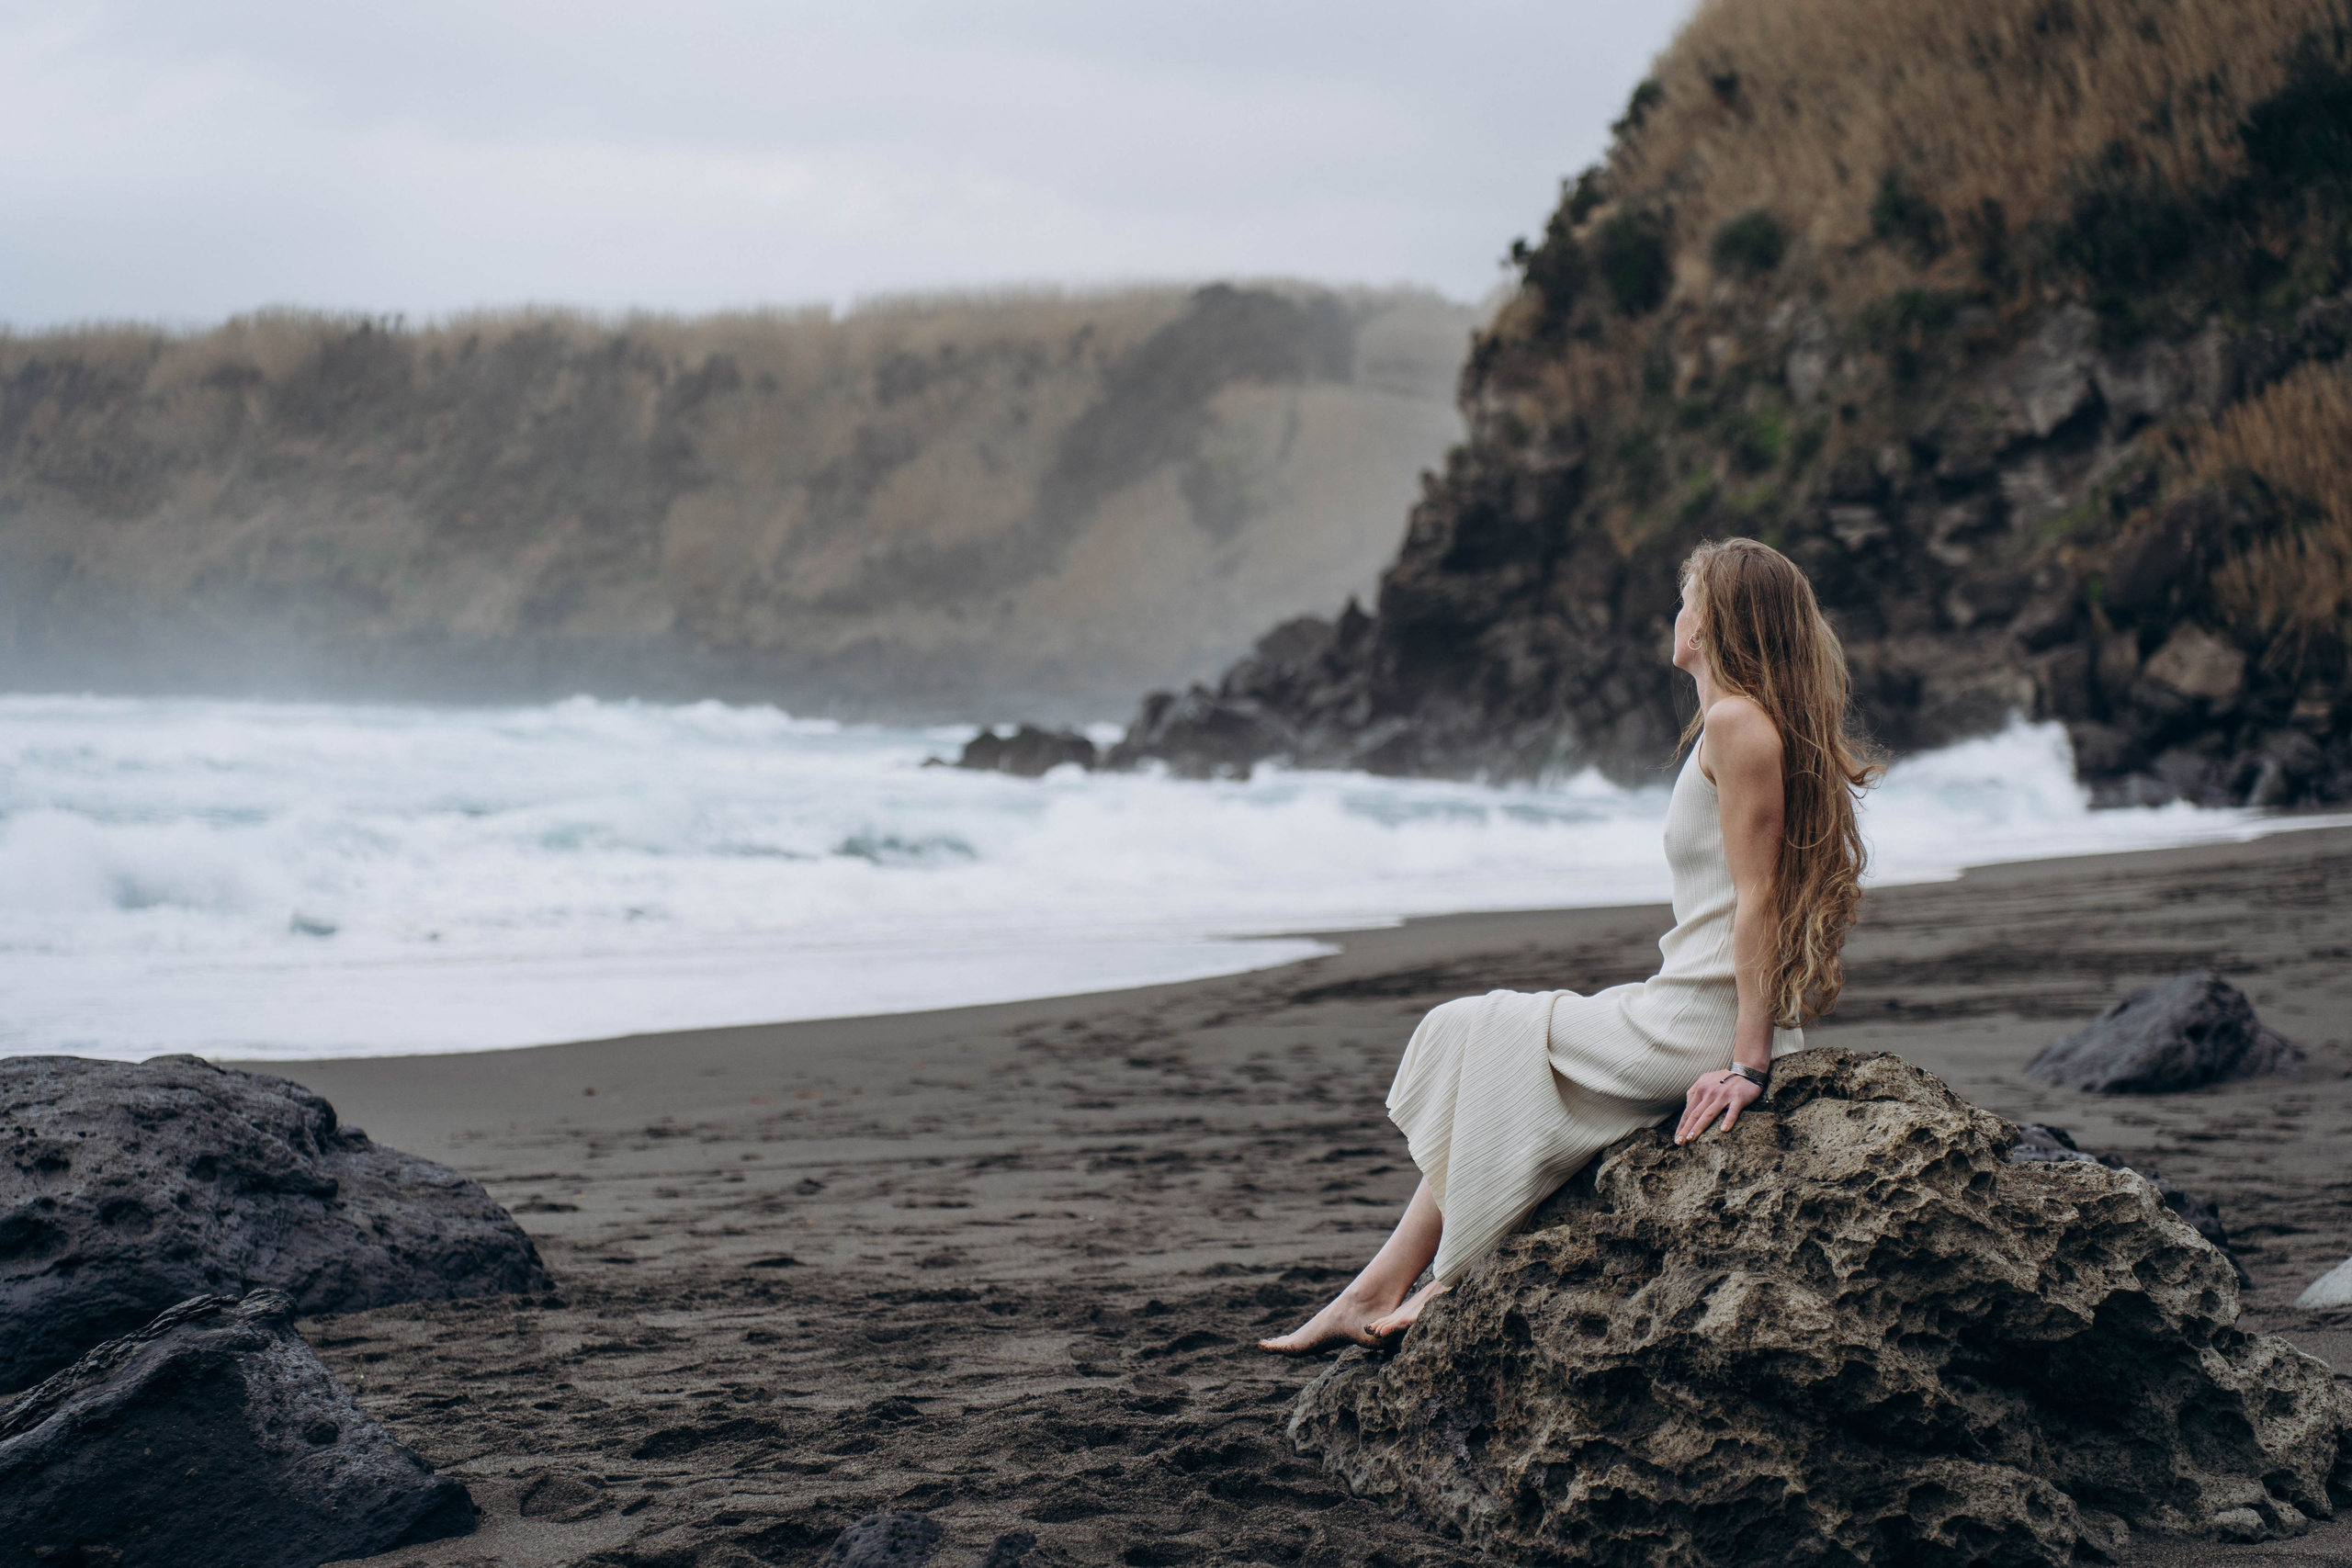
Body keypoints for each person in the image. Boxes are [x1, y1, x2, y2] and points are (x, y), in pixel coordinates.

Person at [1260, 536, 1880, 1352]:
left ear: (1720, 619)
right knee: (1498, 1040)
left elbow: (1758, 902)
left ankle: (1443, 1279)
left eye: (1688, 597)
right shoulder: (1743, 724)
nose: (1678, 614)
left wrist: (1749, 1065)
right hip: (1688, 1002)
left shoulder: (1737, 724)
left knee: (1483, 1028)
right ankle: (1374, 1288)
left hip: (1705, 1024)